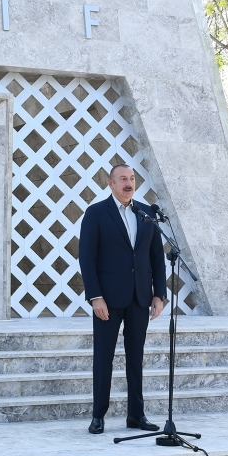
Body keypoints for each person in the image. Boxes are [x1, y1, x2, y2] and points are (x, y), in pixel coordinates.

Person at [79, 163, 167, 434]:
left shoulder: (146, 213)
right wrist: (95, 297)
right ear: (111, 183)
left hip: (140, 298)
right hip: (108, 298)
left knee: (135, 357)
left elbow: (157, 258)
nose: (129, 183)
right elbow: (87, 258)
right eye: (123, 179)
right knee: (103, 357)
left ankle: (136, 416)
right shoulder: (95, 213)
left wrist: (159, 294)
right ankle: (98, 415)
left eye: (132, 179)